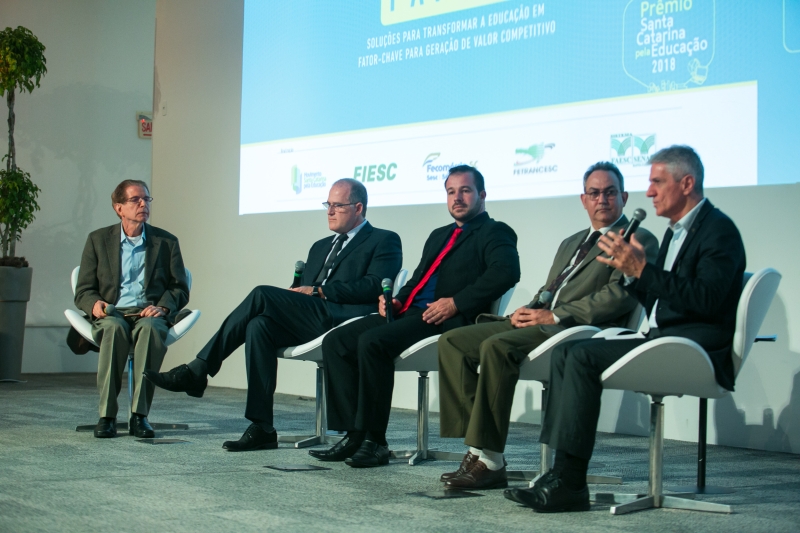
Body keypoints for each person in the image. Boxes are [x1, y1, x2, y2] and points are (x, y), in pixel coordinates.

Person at [505, 145, 746, 512]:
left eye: (657, 182)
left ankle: (570, 482)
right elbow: (665, 301)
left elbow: (707, 299)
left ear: (687, 183)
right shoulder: (675, 233)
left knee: (582, 354)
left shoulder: (718, 230)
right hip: (664, 338)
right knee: (568, 350)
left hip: (694, 348)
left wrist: (641, 272)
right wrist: (637, 278)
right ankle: (560, 474)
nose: (649, 191)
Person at [436, 162, 659, 490]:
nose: (602, 200)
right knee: (453, 342)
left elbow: (619, 297)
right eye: (594, 193)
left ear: (623, 197)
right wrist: (531, 309)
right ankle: (477, 447)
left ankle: (491, 460)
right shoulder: (572, 241)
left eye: (610, 192)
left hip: (579, 329)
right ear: (583, 200)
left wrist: (554, 316)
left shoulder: (638, 239)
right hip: (543, 321)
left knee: (496, 348)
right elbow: (552, 288)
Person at [145, 178, 402, 451]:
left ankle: (199, 369)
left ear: (358, 208)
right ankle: (262, 427)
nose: (329, 211)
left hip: (345, 320)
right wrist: (300, 293)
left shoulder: (383, 239)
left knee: (261, 294)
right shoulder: (320, 246)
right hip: (312, 318)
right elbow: (303, 292)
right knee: (259, 325)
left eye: (337, 205)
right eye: (328, 204)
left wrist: (321, 291)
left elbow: (374, 284)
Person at [309, 165, 521, 468]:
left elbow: (506, 272)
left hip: (444, 319)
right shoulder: (439, 235)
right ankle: (354, 433)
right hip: (411, 313)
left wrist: (456, 303)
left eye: (465, 190)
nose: (457, 198)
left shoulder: (494, 231)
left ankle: (375, 441)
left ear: (482, 195)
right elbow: (420, 279)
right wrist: (396, 301)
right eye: (451, 192)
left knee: (372, 341)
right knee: (338, 340)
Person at [74, 179, 189, 439]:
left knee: (149, 331)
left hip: (148, 314)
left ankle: (140, 416)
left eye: (146, 199)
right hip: (112, 313)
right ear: (118, 208)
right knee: (114, 329)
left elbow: (179, 288)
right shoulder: (98, 240)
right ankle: (107, 416)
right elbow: (83, 289)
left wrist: (162, 307)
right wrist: (94, 304)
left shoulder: (166, 242)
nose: (142, 204)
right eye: (135, 199)